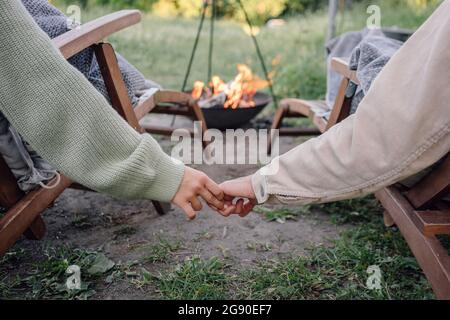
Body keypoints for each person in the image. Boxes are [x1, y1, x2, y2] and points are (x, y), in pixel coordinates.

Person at [0, 0, 235, 220]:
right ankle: (135, 82)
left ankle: (137, 82)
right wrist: (165, 175)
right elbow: (42, 83)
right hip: (69, 100)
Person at [219, 0, 450, 217]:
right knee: (372, 42)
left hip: (419, 150)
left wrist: (259, 184)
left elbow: (380, 138)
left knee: (369, 44)